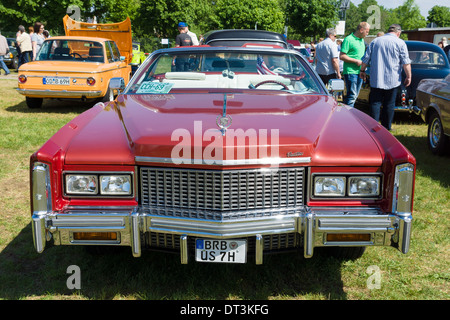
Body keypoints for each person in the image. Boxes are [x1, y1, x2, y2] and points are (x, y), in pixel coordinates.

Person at [360, 24, 412, 131]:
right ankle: (386, 127)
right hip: (392, 79)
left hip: (376, 78)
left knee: (375, 103)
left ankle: (373, 126)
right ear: (398, 33)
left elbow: (366, 58)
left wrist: (362, 70)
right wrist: (409, 76)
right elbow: (406, 62)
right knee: (389, 104)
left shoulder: (375, 41)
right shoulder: (400, 42)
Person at [339, 22, 370, 107]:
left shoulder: (362, 41)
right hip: (350, 72)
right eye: (367, 32)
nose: (368, 34)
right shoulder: (348, 39)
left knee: (355, 96)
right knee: (352, 96)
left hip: (359, 71)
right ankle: (348, 116)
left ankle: (348, 113)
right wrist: (355, 61)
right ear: (361, 30)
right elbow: (342, 56)